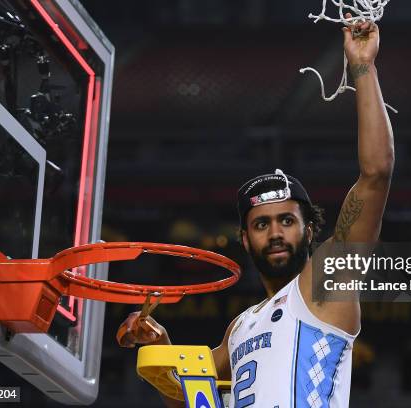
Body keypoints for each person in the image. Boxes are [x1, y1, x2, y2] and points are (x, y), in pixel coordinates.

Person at [118, 17, 394, 407]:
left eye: (287, 220)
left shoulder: (324, 289)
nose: (276, 232)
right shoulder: (239, 328)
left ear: (310, 231)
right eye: (262, 224)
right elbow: (185, 400)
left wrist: (363, 67)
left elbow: (376, 174)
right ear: (246, 240)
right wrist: (163, 349)